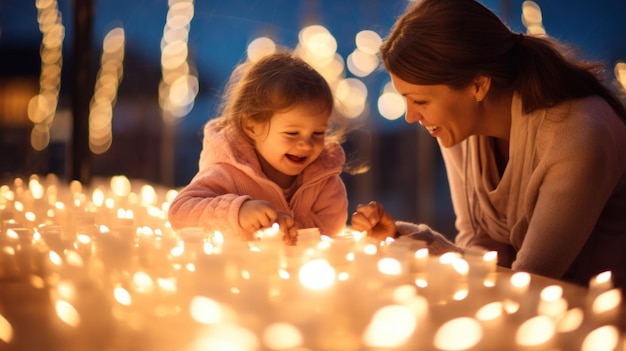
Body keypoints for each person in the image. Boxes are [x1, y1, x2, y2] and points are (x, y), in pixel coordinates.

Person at [351, 0, 626, 289]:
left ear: (478, 85)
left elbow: (532, 279)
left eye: (420, 101)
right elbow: (481, 255)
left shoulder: (577, 135)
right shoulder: (459, 129)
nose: (410, 116)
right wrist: (399, 239)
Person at [168, 51, 348, 244]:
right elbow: (180, 211)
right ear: (251, 126)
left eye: (318, 133)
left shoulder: (321, 177)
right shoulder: (228, 172)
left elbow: (333, 223)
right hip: (237, 269)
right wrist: (239, 212)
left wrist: (288, 228)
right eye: (292, 133)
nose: (307, 144)